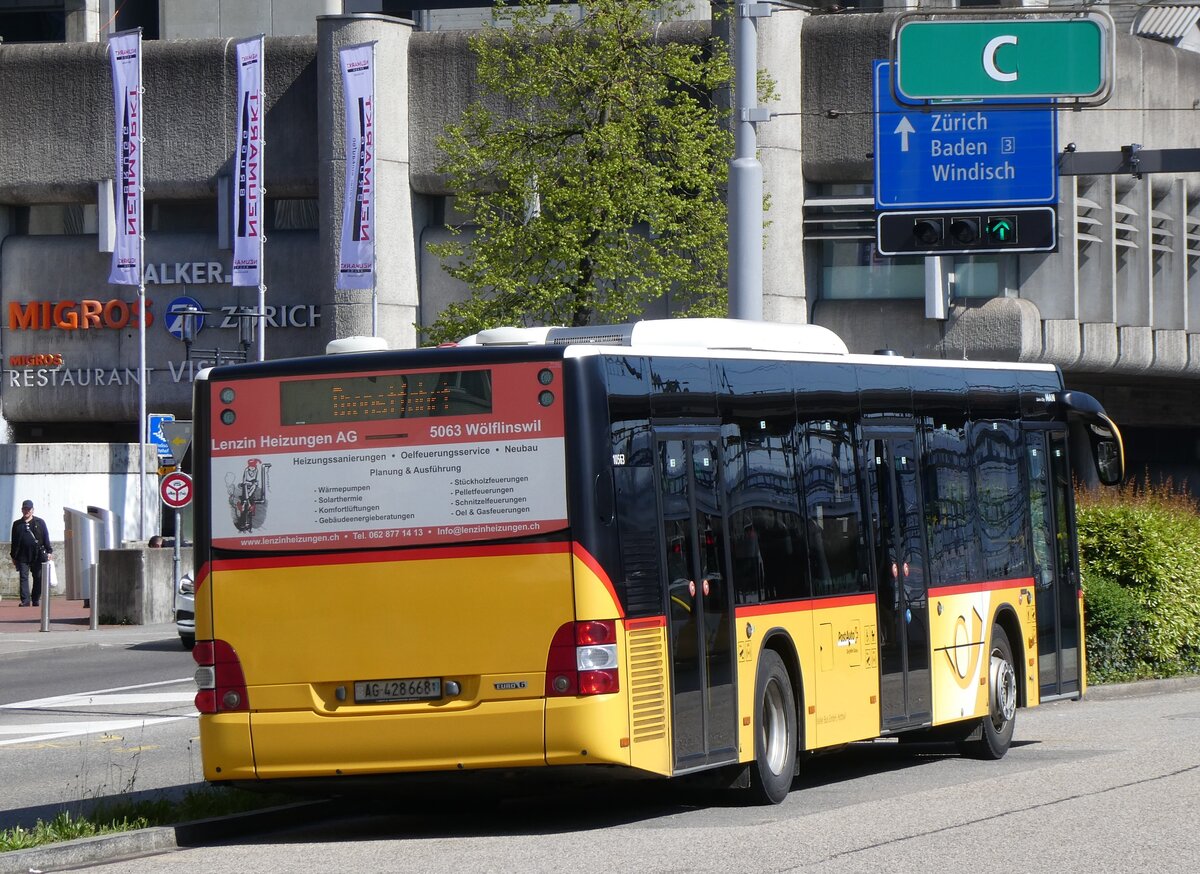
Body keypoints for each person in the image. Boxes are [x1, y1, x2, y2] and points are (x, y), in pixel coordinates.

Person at [10, 500, 53, 608]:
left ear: (32, 510)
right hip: (22, 556)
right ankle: (25, 600)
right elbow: (14, 541)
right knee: (23, 577)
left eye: (28, 509)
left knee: (38, 577)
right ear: (21, 510)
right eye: (25, 509)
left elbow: (45, 537)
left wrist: (49, 551)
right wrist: (13, 556)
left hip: (38, 555)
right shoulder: (17, 524)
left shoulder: (40, 522)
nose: (26, 511)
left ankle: (35, 599)